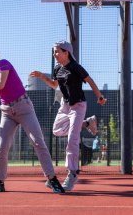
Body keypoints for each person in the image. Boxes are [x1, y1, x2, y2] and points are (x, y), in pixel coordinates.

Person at [0, 44, 64, 194]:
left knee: (38, 142)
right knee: (1, 148)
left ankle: (52, 179)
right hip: (6, 112)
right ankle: (0, 182)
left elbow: (1, 84)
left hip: (23, 106)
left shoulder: (4, 64)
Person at [30, 40, 106, 191]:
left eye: (57, 51)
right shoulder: (57, 68)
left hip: (78, 106)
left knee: (72, 139)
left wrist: (100, 96)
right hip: (65, 106)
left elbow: (89, 80)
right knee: (57, 130)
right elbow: (54, 85)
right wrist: (41, 77)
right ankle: (86, 123)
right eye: (54, 52)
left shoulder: (75, 67)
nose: (55, 54)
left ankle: (72, 174)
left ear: (67, 52)